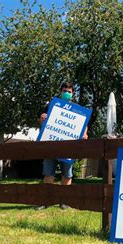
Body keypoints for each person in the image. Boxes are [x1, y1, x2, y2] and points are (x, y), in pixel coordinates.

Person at [37, 82, 88, 210]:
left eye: (69, 91)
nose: (67, 93)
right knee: (48, 173)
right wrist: (42, 118)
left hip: (69, 148)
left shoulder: (78, 109)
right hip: (51, 145)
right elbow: (42, 121)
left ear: (73, 94)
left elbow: (84, 125)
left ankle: (65, 201)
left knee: (67, 174)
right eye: (65, 90)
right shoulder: (51, 105)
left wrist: (85, 135)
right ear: (61, 91)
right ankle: (45, 201)